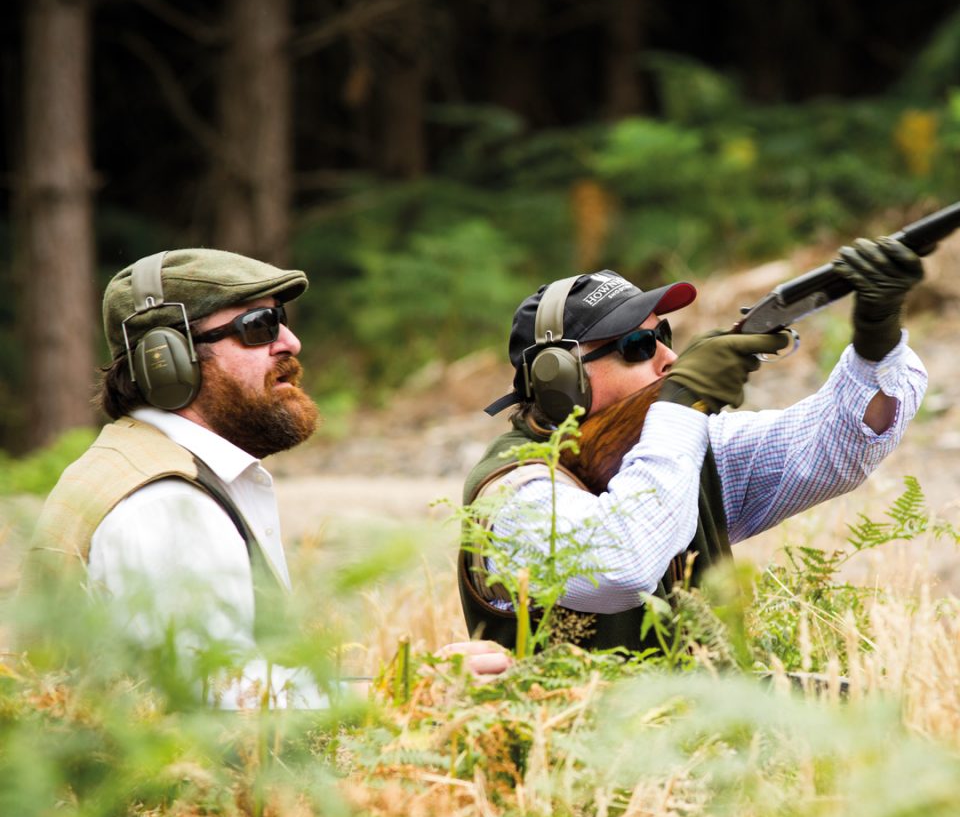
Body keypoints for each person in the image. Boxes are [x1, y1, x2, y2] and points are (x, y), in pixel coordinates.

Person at [19, 248, 509, 704]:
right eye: (258, 326)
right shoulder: (165, 504)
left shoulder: (151, 464)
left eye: (283, 320)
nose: (290, 342)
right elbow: (214, 702)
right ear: (166, 361)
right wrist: (405, 691)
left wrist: (403, 682)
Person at [459, 236, 928, 653]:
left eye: (663, 334)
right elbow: (621, 563)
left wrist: (876, 340)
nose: (670, 358)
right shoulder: (512, 495)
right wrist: (683, 404)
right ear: (561, 379)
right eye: (639, 345)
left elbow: (839, 446)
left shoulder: (672, 445)